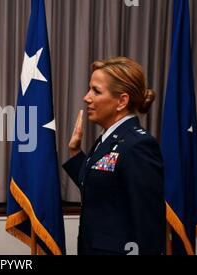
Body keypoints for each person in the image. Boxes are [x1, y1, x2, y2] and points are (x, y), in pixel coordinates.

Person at [63, 57, 166, 255]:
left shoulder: (138, 145)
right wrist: (75, 153)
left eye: (96, 91)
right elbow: (101, 188)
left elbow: (149, 224)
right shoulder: (109, 139)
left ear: (122, 101)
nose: (86, 97)